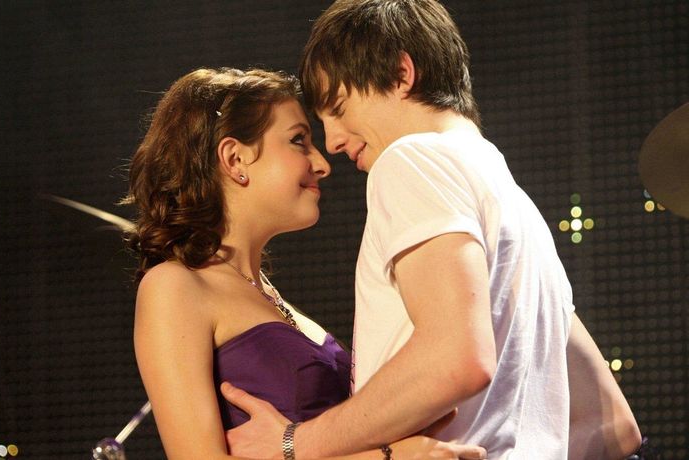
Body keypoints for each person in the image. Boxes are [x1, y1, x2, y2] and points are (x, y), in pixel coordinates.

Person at [220, 1, 642, 459]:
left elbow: (457, 359)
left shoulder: (411, 159)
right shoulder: (515, 204)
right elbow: (614, 427)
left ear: (401, 74)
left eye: (338, 109)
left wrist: (294, 443)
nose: (334, 141)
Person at [125, 67, 487, 459]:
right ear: (235, 159)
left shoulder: (272, 298)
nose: (322, 163)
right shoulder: (174, 286)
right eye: (299, 140)